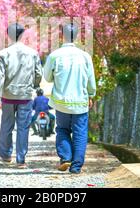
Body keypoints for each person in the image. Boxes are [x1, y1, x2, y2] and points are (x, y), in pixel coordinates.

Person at [43, 23, 96, 174]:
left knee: (62, 129)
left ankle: (66, 158)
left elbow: (47, 77)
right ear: (77, 36)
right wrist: (91, 94)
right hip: (80, 101)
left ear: (62, 35)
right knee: (80, 132)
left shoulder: (54, 55)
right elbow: (91, 80)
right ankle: (76, 166)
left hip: (61, 102)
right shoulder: (85, 56)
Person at [0, 23, 43, 168]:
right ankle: (21, 159)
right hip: (25, 96)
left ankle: (6, 155)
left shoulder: (3, 54)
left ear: (9, 35)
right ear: (22, 35)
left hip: (8, 95)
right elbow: (38, 74)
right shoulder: (32, 53)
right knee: (23, 127)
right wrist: (35, 85)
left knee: (6, 125)